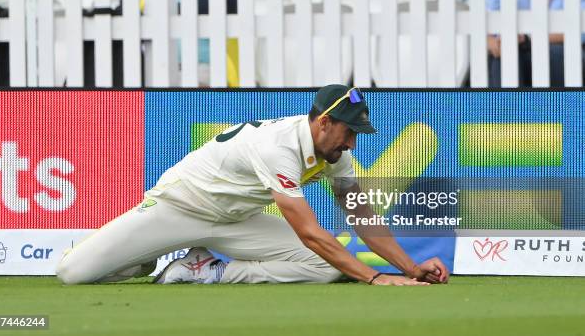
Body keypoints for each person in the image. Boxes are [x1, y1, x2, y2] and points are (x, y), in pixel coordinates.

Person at [56, 85, 449, 286]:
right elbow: (310, 232)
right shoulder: (278, 147)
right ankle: (141, 256)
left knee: (326, 268)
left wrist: (412, 269)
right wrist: (376, 278)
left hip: (235, 220)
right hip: (179, 207)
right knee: (71, 273)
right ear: (323, 123)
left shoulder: (335, 154)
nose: (351, 144)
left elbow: (364, 219)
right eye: (349, 132)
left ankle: (206, 271)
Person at [124, 0, 242, 87]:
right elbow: (124, 18)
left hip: (209, 70)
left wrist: (161, 12)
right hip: (153, 70)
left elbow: (224, 5)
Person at [484, 0, 585, 86]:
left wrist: (528, 39)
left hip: (560, 58)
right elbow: (490, 25)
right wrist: (495, 42)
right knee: (505, 55)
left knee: (559, 53)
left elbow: (581, 31)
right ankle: (507, 107)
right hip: (513, 53)